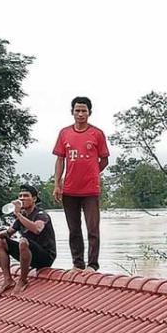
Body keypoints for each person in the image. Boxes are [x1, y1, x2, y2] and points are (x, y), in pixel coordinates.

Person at [52, 96, 110, 271]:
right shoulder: (64, 133)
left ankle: (92, 265)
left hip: (90, 190)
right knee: (74, 229)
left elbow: (105, 159)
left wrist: (92, 172)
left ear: (89, 113)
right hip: (69, 189)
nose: (80, 114)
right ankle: (78, 264)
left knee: (93, 229)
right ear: (72, 112)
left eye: (84, 110)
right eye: (77, 110)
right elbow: (60, 160)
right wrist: (57, 184)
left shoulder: (97, 134)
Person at [0, 184, 57, 294]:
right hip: (28, 252)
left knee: (23, 241)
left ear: (34, 199)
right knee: (1, 242)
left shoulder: (41, 214)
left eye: (26, 196)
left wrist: (18, 214)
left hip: (45, 256)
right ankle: (8, 280)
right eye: (20, 196)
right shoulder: (22, 216)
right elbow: (9, 232)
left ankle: (23, 280)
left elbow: (37, 229)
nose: (22, 198)